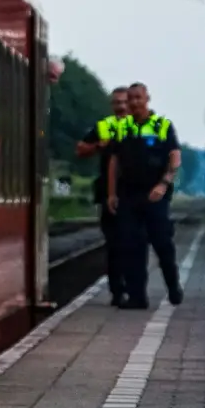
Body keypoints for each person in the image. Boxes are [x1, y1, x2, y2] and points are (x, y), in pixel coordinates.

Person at [107, 82, 182, 309]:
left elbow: (175, 157)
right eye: (131, 99)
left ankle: (173, 285)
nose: (135, 103)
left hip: (155, 195)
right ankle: (137, 296)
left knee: (162, 243)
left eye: (139, 98)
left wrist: (164, 183)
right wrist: (111, 193)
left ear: (147, 99)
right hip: (129, 194)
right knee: (131, 245)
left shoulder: (162, 126)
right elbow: (114, 161)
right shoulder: (123, 128)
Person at [76, 86, 130, 306]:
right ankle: (117, 289)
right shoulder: (104, 126)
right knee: (114, 243)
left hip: (133, 192)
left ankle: (130, 283)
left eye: (124, 102)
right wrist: (99, 145)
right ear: (112, 105)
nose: (121, 106)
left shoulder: (140, 126)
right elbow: (80, 149)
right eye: (117, 102)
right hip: (108, 193)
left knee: (133, 242)